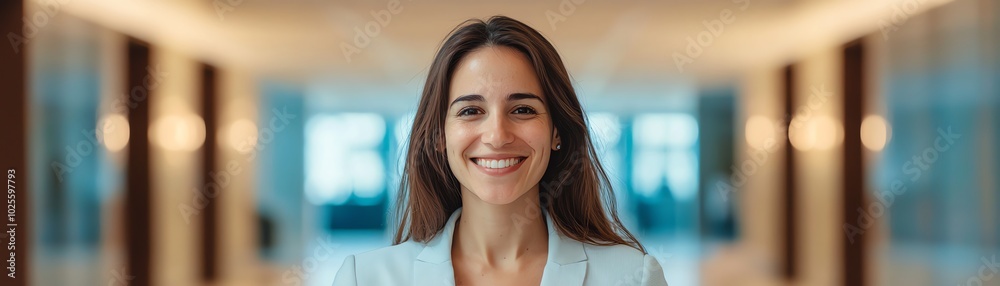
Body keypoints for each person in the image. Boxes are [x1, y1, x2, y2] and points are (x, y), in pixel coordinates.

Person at [332, 15, 668, 286]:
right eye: (470, 111)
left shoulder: (633, 276)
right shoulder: (364, 278)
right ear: (438, 136)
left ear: (557, 132)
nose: (497, 135)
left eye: (522, 110)